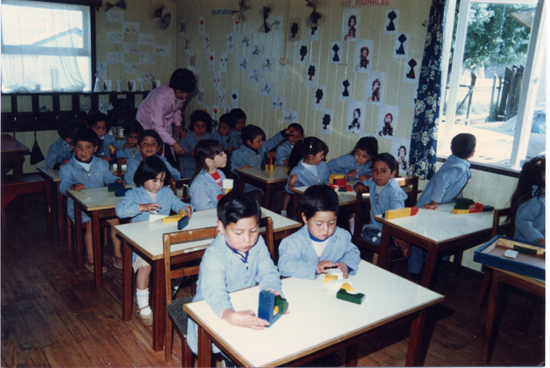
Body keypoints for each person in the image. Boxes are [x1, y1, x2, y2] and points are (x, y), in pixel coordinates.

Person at [186, 191, 283, 358]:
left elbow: (268, 271)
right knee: (244, 355)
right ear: (221, 227)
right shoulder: (214, 255)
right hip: (215, 310)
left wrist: (272, 290)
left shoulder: (258, 242)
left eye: (253, 230)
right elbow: (214, 293)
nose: (247, 239)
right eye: (238, 233)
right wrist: (229, 315)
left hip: (245, 303)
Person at [115, 156, 193, 325]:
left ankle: (171, 288)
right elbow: (120, 211)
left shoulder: (166, 192)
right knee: (145, 267)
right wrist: (141, 207)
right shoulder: (134, 193)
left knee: (180, 261)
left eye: (162, 180)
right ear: (143, 178)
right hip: (141, 241)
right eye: (154, 180)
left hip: (162, 237)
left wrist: (187, 208)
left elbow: (178, 204)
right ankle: (143, 305)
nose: (159, 184)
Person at [409, 133, 476, 279]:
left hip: (437, 208)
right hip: (428, 206)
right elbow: (442, 182)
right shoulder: (459, 167)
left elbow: (455, 186)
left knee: (435, 236)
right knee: (418, 238)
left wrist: (461, 200)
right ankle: (415, 271)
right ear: (472, 153)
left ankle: (432, 267)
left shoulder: (454, 162)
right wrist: (434, 201)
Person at [60, 128, 125, 272]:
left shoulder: (101, 164)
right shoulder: (67, 168)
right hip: (79, 209)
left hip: (100, 205)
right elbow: (62, 186)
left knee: (115, 220)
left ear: (95, 149)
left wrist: (116, 180)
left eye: (88, 147)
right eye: (79, 147)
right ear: (73, 148)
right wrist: (72, 186)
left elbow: (108, 178)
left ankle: (117, 254)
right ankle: (91, 260)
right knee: (90, 224)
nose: (83, 151)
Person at [278, 185, 360, 279]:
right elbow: (284, 266)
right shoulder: (292, 242)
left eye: (331, 223)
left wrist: (346, 264)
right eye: (319, 224)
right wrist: (314, 267)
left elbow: (353, 252)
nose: (326, 229)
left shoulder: (342, 236)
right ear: (305, 218)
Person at [136, 68, 197, 168]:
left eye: (187, 93)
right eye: (182, 92)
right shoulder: (159, 96)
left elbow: (176, 109)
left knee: (167, 154)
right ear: (174, 87)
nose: (184, 96)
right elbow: (158, 127)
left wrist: (178, 124)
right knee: (151, 151)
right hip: (147, 121)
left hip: (163, 121)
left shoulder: (180, 94)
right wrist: (174, 144)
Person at [354, 153, 409, 254]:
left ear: (392, 174)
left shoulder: (394, 189)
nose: (378, 174)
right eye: (375, 170)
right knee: (366, 232)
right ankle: (394, 242)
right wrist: (358, 184)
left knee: (382, 237)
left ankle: (395, 240)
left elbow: (397, 215)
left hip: (393, 229)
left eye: (383, 171)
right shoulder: (372, 182)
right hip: (376, 227)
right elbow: (361, 183)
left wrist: (396, 234)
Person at [230, 124, 292, 203]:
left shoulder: (262, 148)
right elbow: (232, 165)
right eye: (258, 141)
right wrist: (240, 168)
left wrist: (284, 133)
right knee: (257, 196)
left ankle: (277, 213)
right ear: (249, 142)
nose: (261, 143)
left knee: (277, 193)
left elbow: (273, 141)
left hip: (263, 183)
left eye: (262, 140)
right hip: (248, 186)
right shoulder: (238, 153)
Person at [508, 155, 545, 245]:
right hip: (525, 246)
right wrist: (539, 239)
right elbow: (523, 222)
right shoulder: (533, 198)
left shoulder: (545, 196)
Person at [189, 139, 228, 211]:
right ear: (209, 161)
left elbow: (226, 194)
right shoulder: (199, 184)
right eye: (221, 154)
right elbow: (204, 210)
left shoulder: (221, 174)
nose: (225, 155)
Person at [179, 110, 214, 178]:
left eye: (203, 126)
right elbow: (181, 150)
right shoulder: (186, 136)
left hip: (204, 168)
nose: (200, 129)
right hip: (188, 168)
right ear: (192, 125)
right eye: (197, 126)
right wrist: (189, 153)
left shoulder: (209, 137)